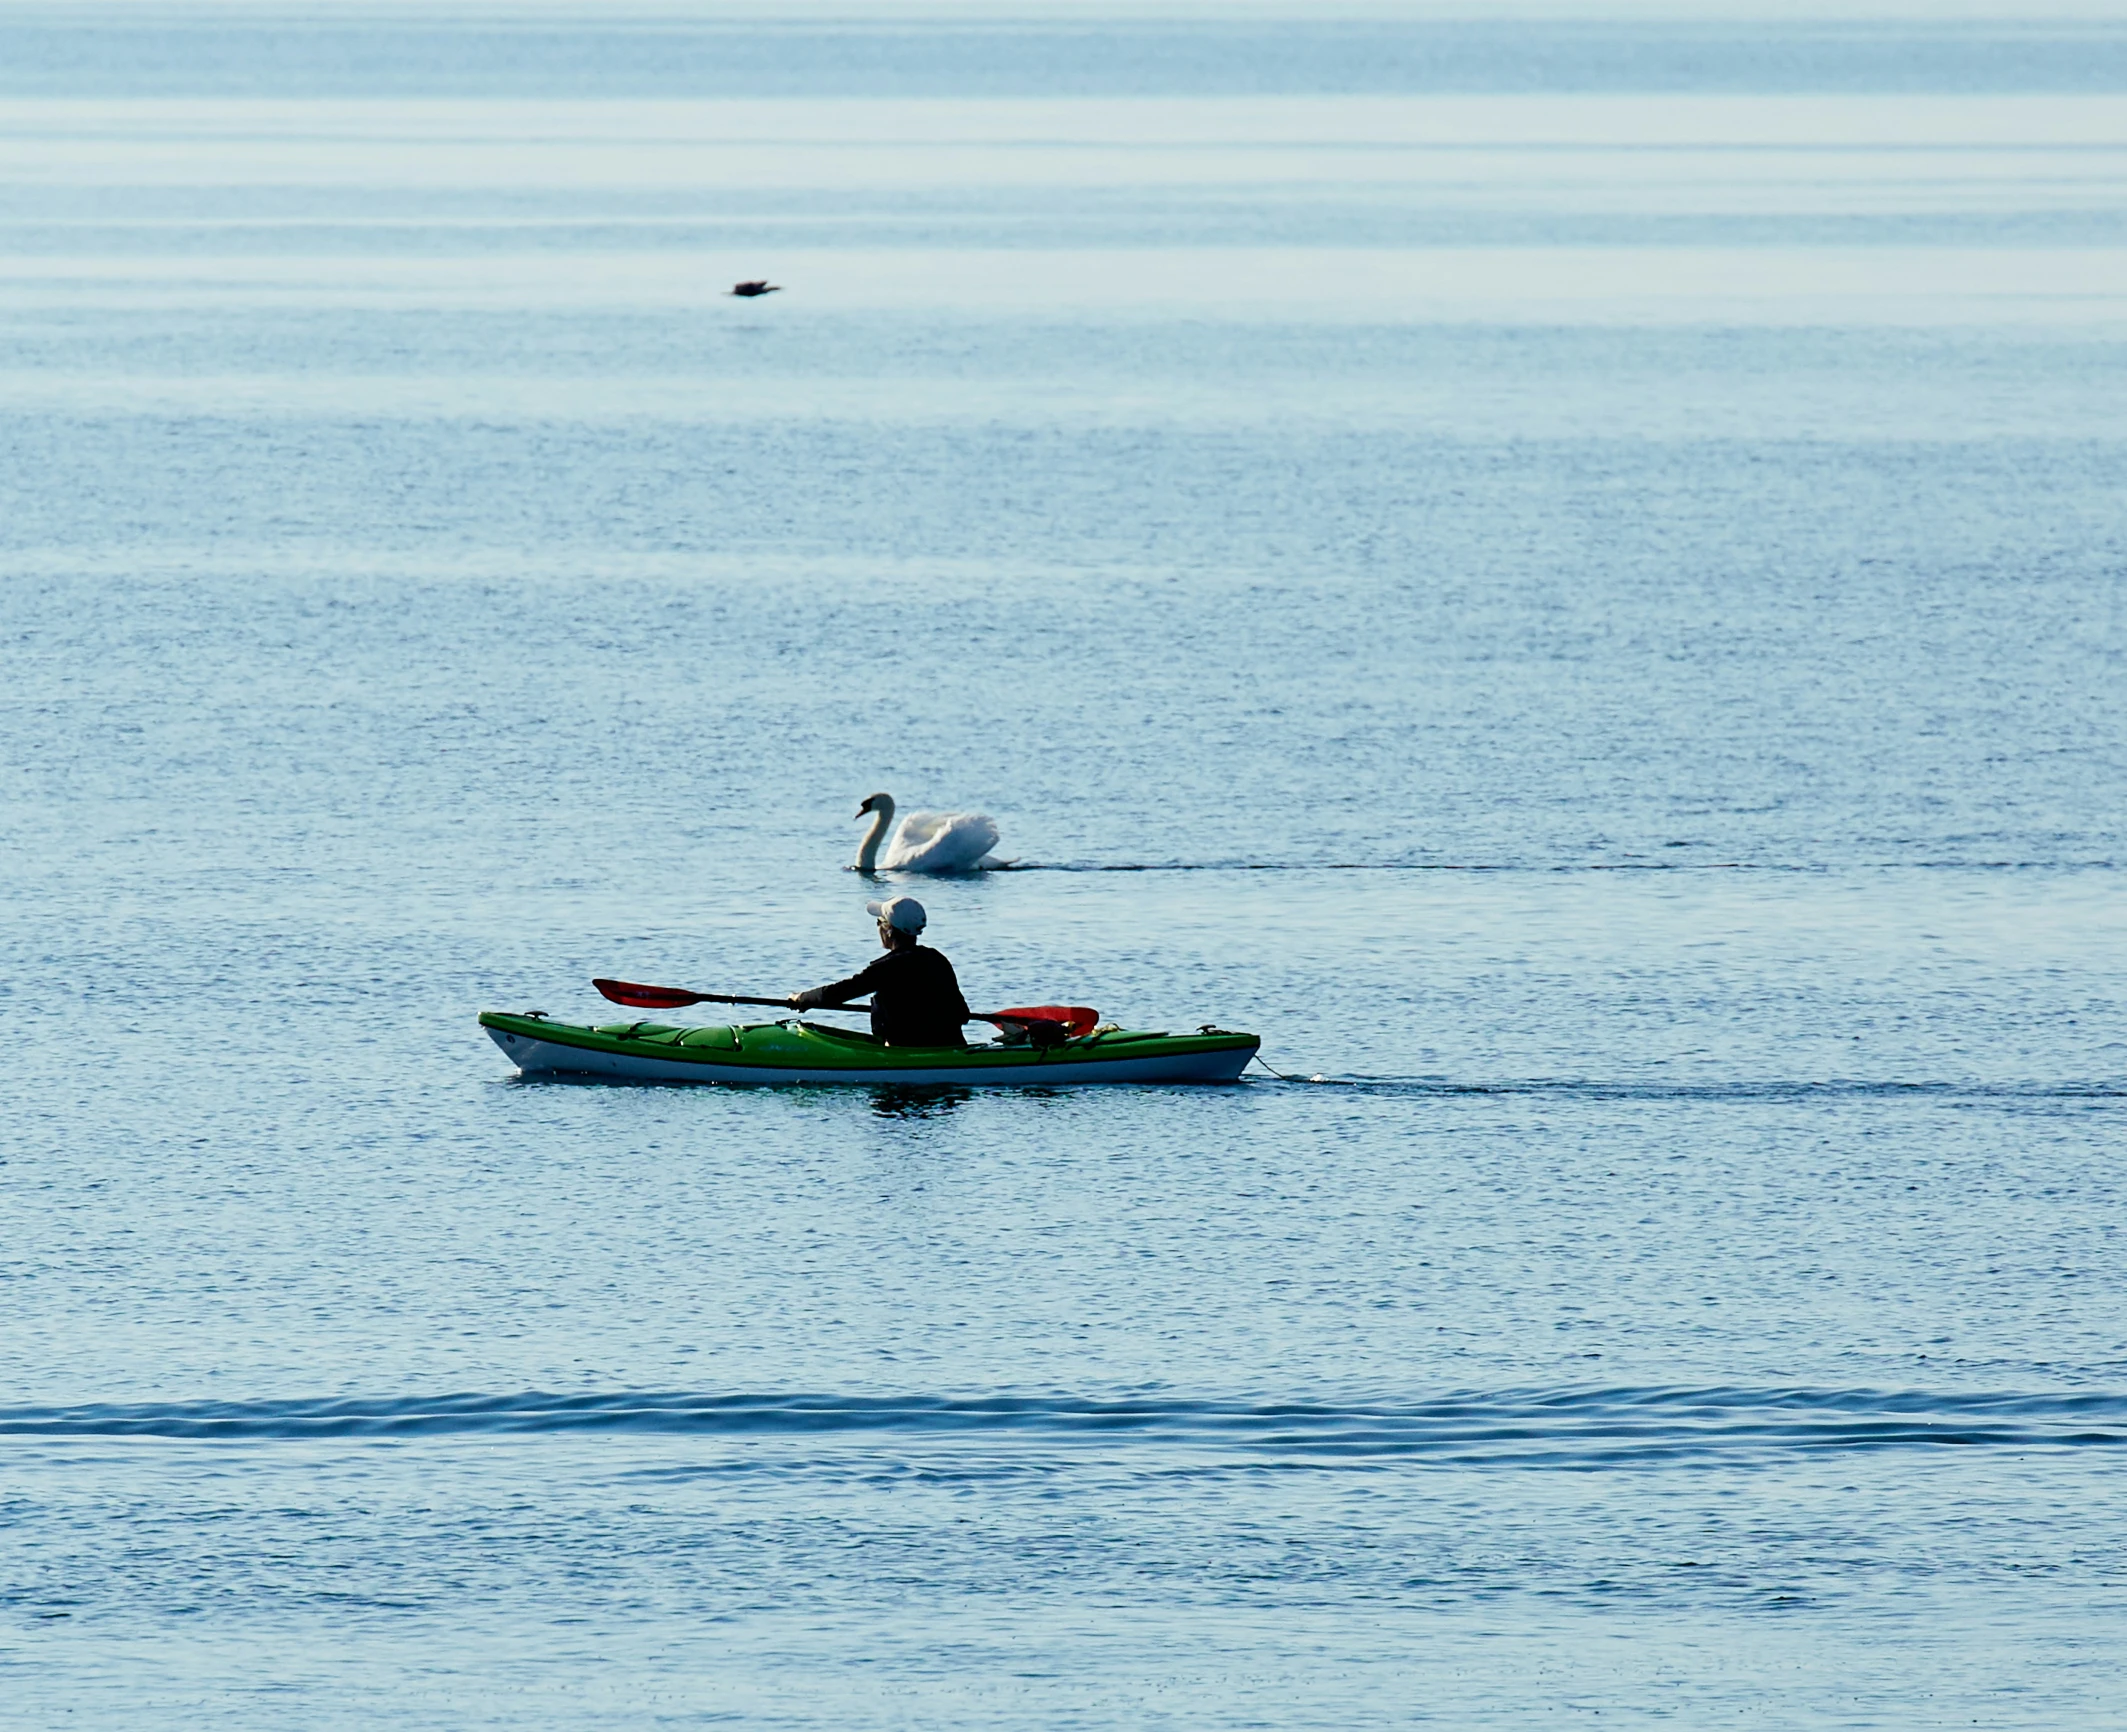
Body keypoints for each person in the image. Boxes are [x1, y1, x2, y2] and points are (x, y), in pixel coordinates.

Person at [789, 896, 971, 1046]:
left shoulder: (887, 967)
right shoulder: (937, 959)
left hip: (906, 1050)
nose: (877, 928)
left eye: (879, 922)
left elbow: (840, 992)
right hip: (952, 1045)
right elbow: (962, 1013)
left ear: (889, 930)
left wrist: (802, 998)